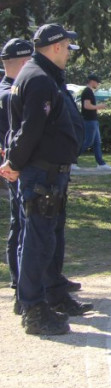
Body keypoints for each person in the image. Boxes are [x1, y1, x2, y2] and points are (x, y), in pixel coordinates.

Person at [1, 24, 91, 336]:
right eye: (67, 47)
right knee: (37, 242)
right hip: (41, 173)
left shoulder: (37, 74)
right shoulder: (38, 78)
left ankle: (42, 299)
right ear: (55, 47)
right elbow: (30, 129)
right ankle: (34, 310)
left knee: (41, 239)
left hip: (46, 172)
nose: (68, 53)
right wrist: (15, 163)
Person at [2, 39, 34, 297]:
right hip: (15, 168)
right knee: (20, 224)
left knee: (20, 222)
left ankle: (20, 280)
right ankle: (18, 281)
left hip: (16, 165)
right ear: (24, 62)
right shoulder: (9, 94)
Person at [79, 74, 111, 170]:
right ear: (92, 81)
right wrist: (99, 106)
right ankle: (71, 160)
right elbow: (86, 106)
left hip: (93, 120)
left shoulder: (89, 91)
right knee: (88, 142)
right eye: (97, 82)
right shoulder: (87, 91)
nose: (98, 84)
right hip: (89, 120)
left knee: (97, 142)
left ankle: (101, 164)